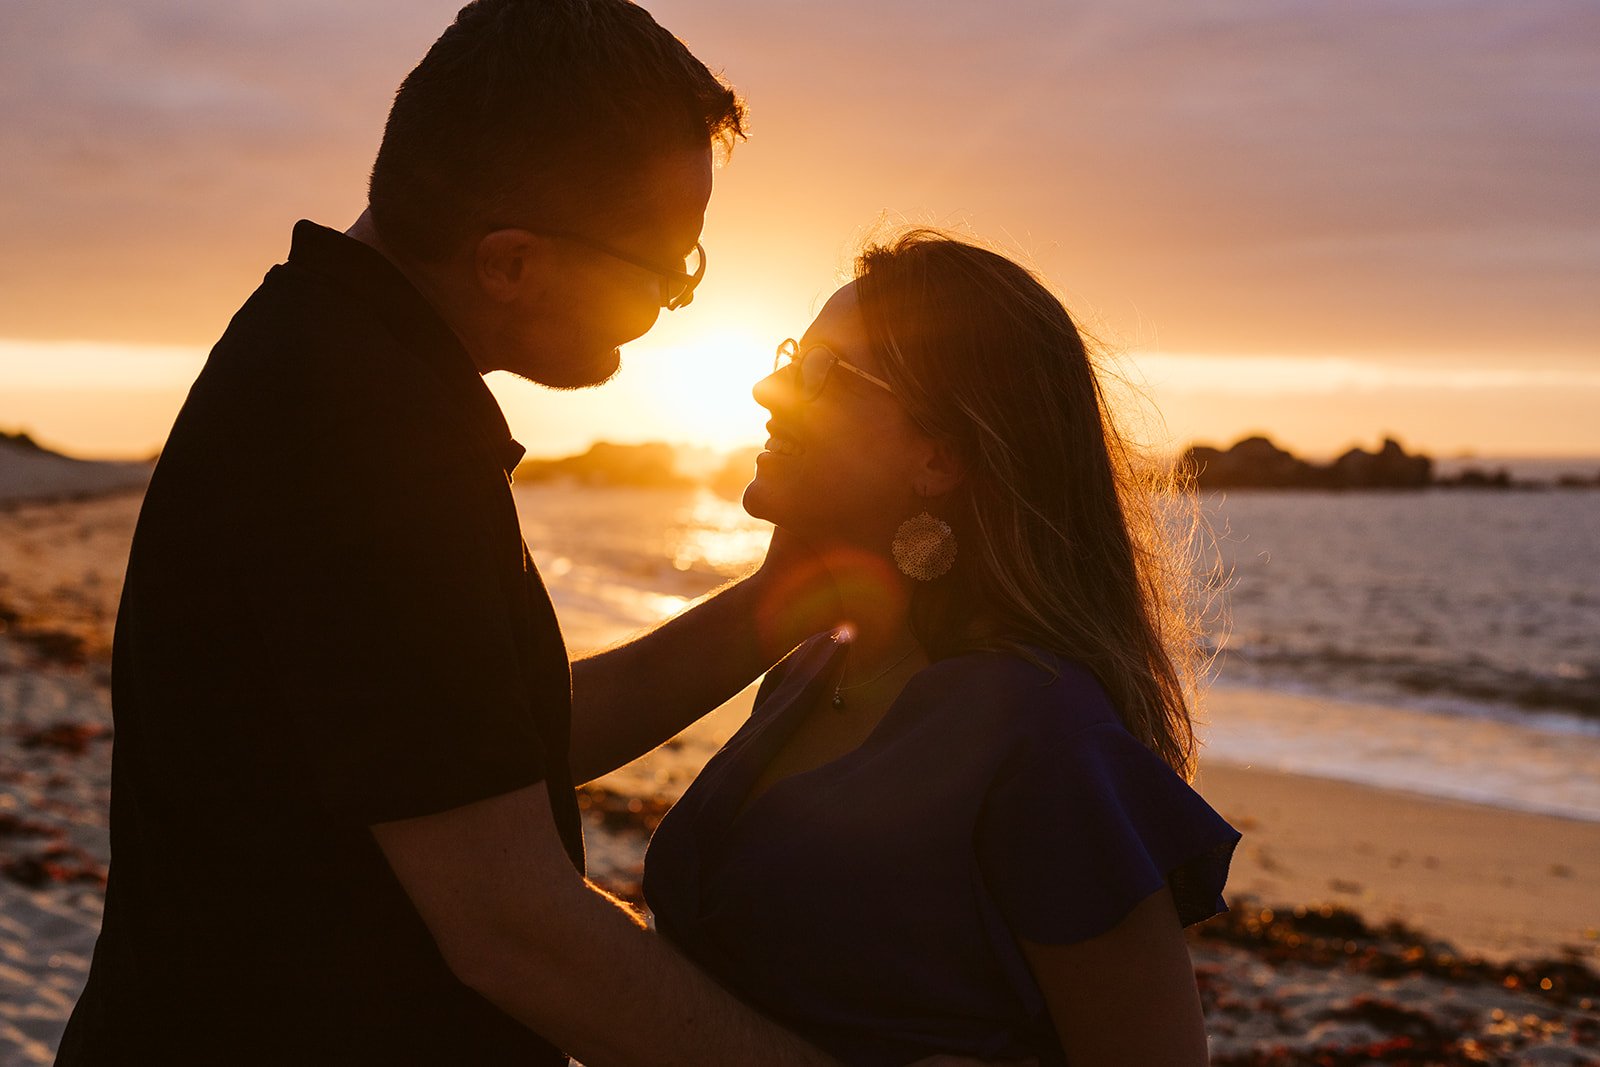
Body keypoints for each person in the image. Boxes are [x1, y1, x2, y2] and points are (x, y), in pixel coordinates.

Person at [54, 2, 916, 1064]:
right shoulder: (368, 436)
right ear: (510, 261)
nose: (674, 306)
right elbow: (514, 929)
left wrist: (775, 601)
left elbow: (477, 748)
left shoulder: (325, 357)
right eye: (668, 271)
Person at [643, 231, 1243, 1066]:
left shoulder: (1047, 738)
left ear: (938, 457)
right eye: (791, 355)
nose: (768, 386)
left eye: (822, 373)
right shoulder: (812, 670)